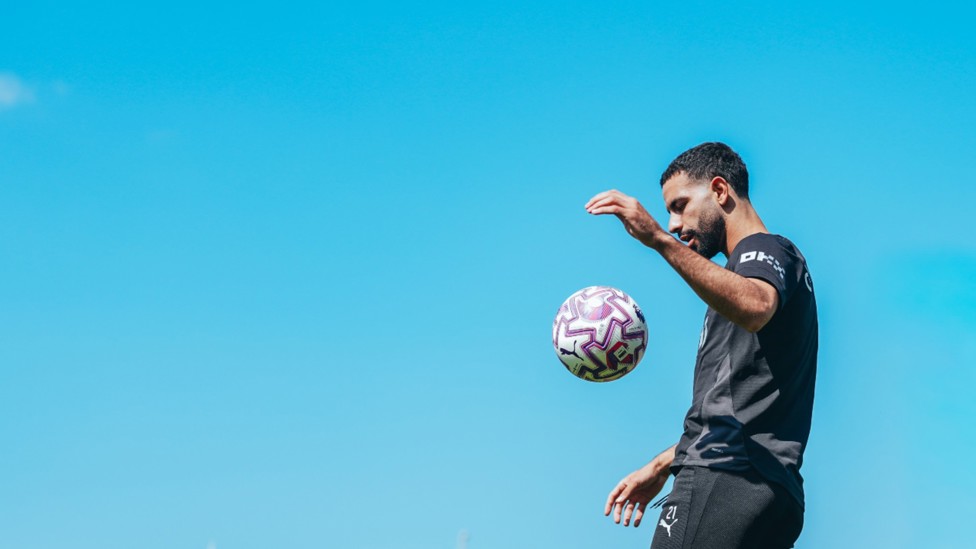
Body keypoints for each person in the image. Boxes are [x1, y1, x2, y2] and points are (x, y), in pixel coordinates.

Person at [585, 142, 818, 549]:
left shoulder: (763, 251)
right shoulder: (754, 273)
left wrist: (657, 239)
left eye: (680, 205)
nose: (674, 223)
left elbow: (756, 305)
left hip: (723, 478)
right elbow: (744, 412)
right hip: (769, 491)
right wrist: (662, 464)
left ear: (720, 191)